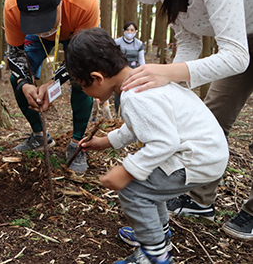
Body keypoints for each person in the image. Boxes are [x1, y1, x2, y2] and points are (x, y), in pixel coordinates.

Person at [108, 0, 253, 240]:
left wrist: (168, 74)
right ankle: (200, 199)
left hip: (239, 44)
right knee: (212, 117)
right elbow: (188, 46)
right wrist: (167, 88)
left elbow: (236, 56)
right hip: (241, 38)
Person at [67, 28, 228, 264]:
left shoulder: (135, 96)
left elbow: (165, 142)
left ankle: (154, 255)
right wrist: (104, 142)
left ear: (97, 78)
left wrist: (127, 170)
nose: (85, 91)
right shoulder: (140, 80)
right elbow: (139, 126)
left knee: (134, 190)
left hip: (196, 158)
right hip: (204, 152)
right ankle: (157, 233)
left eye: (83, 85)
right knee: (150, 184)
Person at [4, 0, 100, 173]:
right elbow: (15, 53)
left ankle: (77, 143)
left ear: (60, 2)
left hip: (75, 32)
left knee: (82, 77)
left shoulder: (84, 1)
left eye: (45, 21)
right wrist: (25, 83)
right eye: (35, 22)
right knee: (17, 78)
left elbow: (83, 57)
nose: (42, 30)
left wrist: (55, 81)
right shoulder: (12, 6)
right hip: (33, 40)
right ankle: (40, 136)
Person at [114, 22, 145, 114]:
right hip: (120, 71)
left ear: (136, 31)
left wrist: (143, 72)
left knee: (132, 93)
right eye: (127, 30)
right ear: (124, 31)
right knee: (119, 93)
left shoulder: (139, 44)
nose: (129, 32)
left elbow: (141, 60)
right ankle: (118, 114)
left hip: (133, 71)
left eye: (132, 30)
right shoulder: (117, 42)